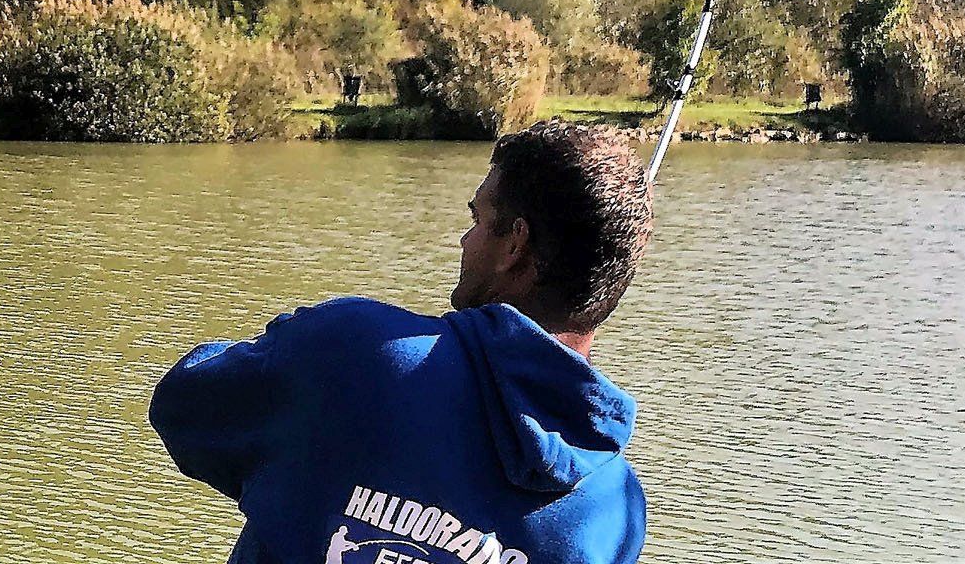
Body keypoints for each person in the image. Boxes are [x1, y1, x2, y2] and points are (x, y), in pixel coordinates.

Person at [150, 121, 654, 563]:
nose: (464, 240)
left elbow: (184, 406)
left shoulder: (355, 352)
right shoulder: (615, 511)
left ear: (515, 245)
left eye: (477, 220)